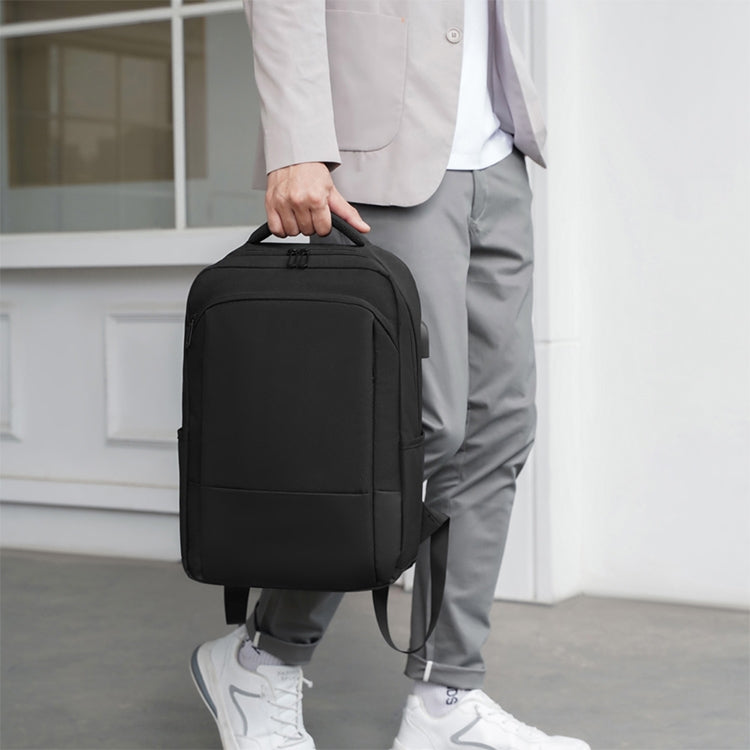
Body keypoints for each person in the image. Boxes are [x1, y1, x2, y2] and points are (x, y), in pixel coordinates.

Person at [190, 2, 591, 749]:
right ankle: (262, 656)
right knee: (410, 433)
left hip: (496, 153)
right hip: (380, 157)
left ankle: (446, 694)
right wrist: (296, 145)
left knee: (497, 430)